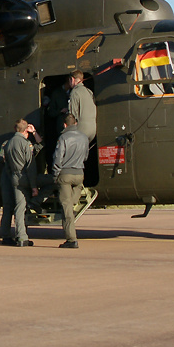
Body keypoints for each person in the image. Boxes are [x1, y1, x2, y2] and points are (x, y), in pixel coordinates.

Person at [0, 120, 43, 247]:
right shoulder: (26, 144)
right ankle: (21, 237)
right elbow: (31, 165)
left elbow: (2, 159)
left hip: (10, 177)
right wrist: (34, 132)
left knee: (8, 209)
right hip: (19, 178)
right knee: (19, 207)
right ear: (26, 131)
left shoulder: (7, 144)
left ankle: (6, 236)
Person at [52, 114, 87, 248]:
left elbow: (58, 158)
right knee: (71, 202)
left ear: (65, 125)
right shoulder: (84, 137)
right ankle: (72, 208)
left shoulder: (63, 138)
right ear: (75, 123)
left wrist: (55, 175)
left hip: (66, 174)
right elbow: (85, 156)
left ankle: (71, 239)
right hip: (79, 174)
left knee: (66, 208)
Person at [67, 70, 96, 143]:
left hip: (81, 130)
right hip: (92, 130)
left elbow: (72, 116)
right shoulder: (89, 91)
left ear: (72, 79)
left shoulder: (75, 92)